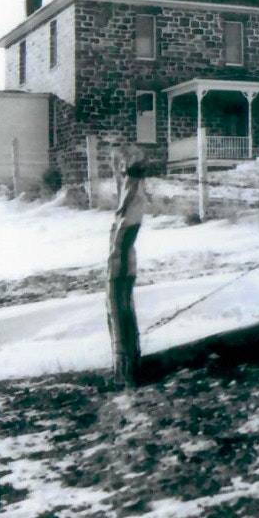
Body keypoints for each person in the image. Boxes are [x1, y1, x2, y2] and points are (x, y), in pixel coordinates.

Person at [107, 144, 148, 385]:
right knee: (119, 278)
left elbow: (128, 220)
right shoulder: (129, 189)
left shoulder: (135, 189)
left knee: (120, 278)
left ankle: (126, 362)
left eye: (123, 166)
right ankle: (126, 357)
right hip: (125, 228)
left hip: (126, 231)